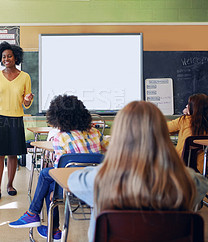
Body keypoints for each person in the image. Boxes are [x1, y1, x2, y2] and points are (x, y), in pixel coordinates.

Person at [68, 101, 208, 242]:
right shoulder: (190, 182)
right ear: (162, 135)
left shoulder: (98, 180)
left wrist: (103, 167)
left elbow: (73, 180)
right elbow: (202, 182)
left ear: (119, 136)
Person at [9, 95, 107, 240]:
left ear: (58, 118)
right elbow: (109, 154)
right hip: (96, 186)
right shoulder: (95, 133)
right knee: (48, 178)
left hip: (71, 188)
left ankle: (40, 219)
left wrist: (55, 189)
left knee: (46, 175)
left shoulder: (60, 138)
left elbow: (59, 171)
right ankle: (46, 224)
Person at [0, 41, 34, 202]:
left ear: (15, 57)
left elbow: (26, 103)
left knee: (13, 154)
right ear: (0, 58)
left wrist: (28, 99)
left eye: (9, 56)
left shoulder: (25, 77)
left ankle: (10, 185)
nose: (6, 59)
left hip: (16, 118)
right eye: (3, 56)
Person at [167, 94, 208, 171]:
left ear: (193, 108)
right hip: (203, 170)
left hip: (180, 168)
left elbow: (164, 127)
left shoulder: (184, 120)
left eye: (188, 104)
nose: (186, 105)